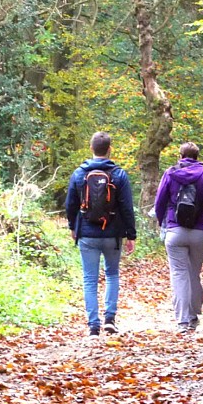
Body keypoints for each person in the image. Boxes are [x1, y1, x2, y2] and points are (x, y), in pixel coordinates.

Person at [65, 132, 136, 337]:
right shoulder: (119, 174)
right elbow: (126, 207)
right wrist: (130, 235)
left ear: (91, 148)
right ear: (109, 149)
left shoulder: (79, 173)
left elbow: (70, 204)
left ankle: (93, 325)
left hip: (87, 234)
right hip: (112, 235)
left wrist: (73, 227)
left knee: (89, 278)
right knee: (112, 274)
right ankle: (110, 319)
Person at [154, 142, 203, 333]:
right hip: (199, 232)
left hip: (175, 231)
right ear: (197, 156)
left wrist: (163, 222)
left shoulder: (170, 173)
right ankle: (193, 315)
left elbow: (160, 201)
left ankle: (183, 320)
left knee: (179, 275)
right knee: (193, 274)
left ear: (180, 156)